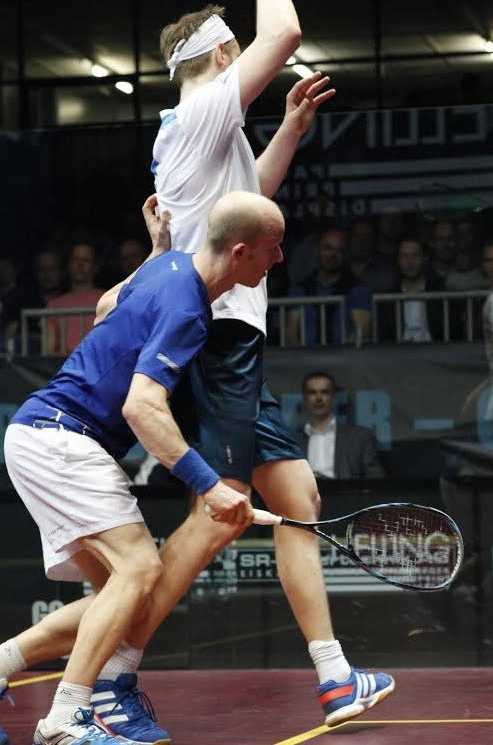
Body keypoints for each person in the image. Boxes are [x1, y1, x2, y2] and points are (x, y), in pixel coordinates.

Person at [120, 1, 388, 738]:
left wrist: (291, 130)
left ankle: (334, 676)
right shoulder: (205, 107)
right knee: (220, 512)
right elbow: (286, 32)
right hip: (218, 337)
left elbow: (250, 203)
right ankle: (114, 673)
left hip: (231, 336)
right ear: (220, 54)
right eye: (236, 50)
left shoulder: (200, 128)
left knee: (296, 494)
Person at [0, 190, 284, 745]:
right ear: (241, 251)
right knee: (141, 571)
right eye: (273, 247)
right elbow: (142, 407)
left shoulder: (168, 266)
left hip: (42, 435)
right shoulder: (189, 310)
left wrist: (155, 250)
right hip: (62, 439)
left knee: (122, 601)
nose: (280, 258)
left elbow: (105, 307)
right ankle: (65, 719)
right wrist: (213, 488)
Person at [286, 227, 373, 345]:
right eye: (328, 248)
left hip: (345, 354)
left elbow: (360, 334)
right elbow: (291, 336)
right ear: (317, 251)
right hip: (306, 355)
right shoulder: (300, 289)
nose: (333, 255)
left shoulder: (358, 290)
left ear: (345, 255)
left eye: (340, 250)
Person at [293, 371, 386, 479]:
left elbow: (376, 479)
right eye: (312, 393)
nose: (319, 398)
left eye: (325, 392)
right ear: (304, 398)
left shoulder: (359, 437)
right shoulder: (292, 442)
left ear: (333, 397)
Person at [46, 242, 104, 355]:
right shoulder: (54, 305)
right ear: (69, 265)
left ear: (95, 267)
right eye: (75, 259)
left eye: (86, 260)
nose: (80, 264)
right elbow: (48, 351)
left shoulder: (108, 300)